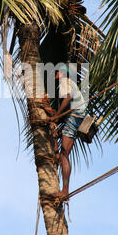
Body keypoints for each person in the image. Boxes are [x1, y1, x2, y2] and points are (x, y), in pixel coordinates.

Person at [46, 64, 87, 200]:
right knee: (64, 153)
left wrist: (56, 116)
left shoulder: (65, 82)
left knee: (64, 155)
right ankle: (65, 189)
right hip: (76, 117)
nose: (56, 74)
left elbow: (68, 98)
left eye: (58, 72)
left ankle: (65, 191)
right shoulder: (70, 83)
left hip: (74, 116)